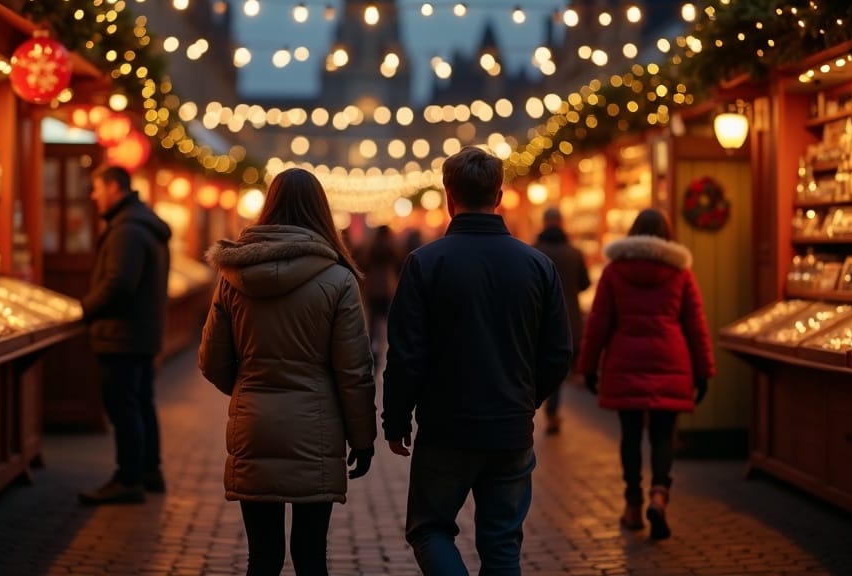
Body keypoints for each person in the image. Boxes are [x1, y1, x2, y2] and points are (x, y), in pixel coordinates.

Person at [382, 146, 572, 575]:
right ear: (499, 195)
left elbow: (406, 354)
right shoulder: (537, 265)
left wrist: (395, 420)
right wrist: (527, 398)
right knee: (503, 541)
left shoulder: (425, 264)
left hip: (446, 427)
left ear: (450, 196)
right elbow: (559, 351)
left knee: (430, 530)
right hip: (510, 426)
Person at [199, 167, 377, 576]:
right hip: (317, 426)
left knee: (262, 556)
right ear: (321, 211)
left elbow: (211, 360)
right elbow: (354, 370)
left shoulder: (232, 276)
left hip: (254, 423)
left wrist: (249, 387)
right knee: (311, 555)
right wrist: (363, 438)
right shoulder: (338, 279)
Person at [578, 207, 715, 541]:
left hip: (625, 362)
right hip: (672, 361)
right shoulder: (681, 272)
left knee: (630, 436)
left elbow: (598, 323)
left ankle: (633, 506)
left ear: (634, 233)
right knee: (663, 436)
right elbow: (695, 325)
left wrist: (588, 366)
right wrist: (703, 371)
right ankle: (660, 495)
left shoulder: (614, 271)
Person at [78, 164, 172, 505]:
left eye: (97, 189)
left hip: (122, 335)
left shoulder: (127, 230)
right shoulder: (140, 224)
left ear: (114, 188)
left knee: (124, 407)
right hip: (140, 333)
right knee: (141, 403)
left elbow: (118, 284)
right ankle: (149, 472)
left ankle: (128, 479)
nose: (93, 196)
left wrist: (85, 309)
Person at [532, 207, 591, 435]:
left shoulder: (534, 252)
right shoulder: (574, 253)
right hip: (570, 317)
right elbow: (585, 283)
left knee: (544, 362)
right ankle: (553, 411)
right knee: (560, 362)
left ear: (545, 223)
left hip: (541, 318)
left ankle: (550, 409)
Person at [356, 224, 403, 367]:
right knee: (391, 322)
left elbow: (363, 265)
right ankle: (393, 351)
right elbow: (399, 264)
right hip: (388, 287)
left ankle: (373, 353)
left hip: (373, 288)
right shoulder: (392, 248)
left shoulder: (371, 248)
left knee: (373, 324)